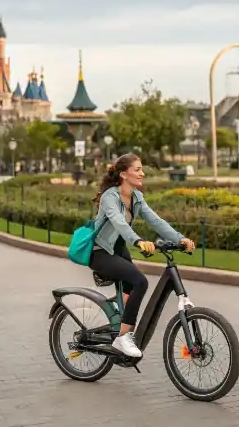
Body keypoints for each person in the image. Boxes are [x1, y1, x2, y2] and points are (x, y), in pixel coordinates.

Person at [89, 153, 195, 358]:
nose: (142, 173)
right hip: (100, 251)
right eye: (137, 169)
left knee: (131, 284)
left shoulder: (137, 197)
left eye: (141, 169)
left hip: (118, 249)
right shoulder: (110, 197)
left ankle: (120, 324)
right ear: (123, 174)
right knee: (140, 282)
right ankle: (122, 338)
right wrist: (138, 241)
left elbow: (156, 221)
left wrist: (180, 238)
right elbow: (118, 222)